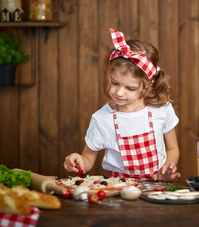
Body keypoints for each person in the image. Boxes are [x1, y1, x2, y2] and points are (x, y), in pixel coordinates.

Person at [63, 28, 181, 181]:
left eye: (130, 88)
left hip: (156, 190)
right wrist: (78, 160)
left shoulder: (162, 109)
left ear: (147, 85)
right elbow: (87, 159)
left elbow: (173, 149)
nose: (119, 92)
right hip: (118, 193)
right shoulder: (102, 119)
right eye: (115, 83)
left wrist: (165, 170)